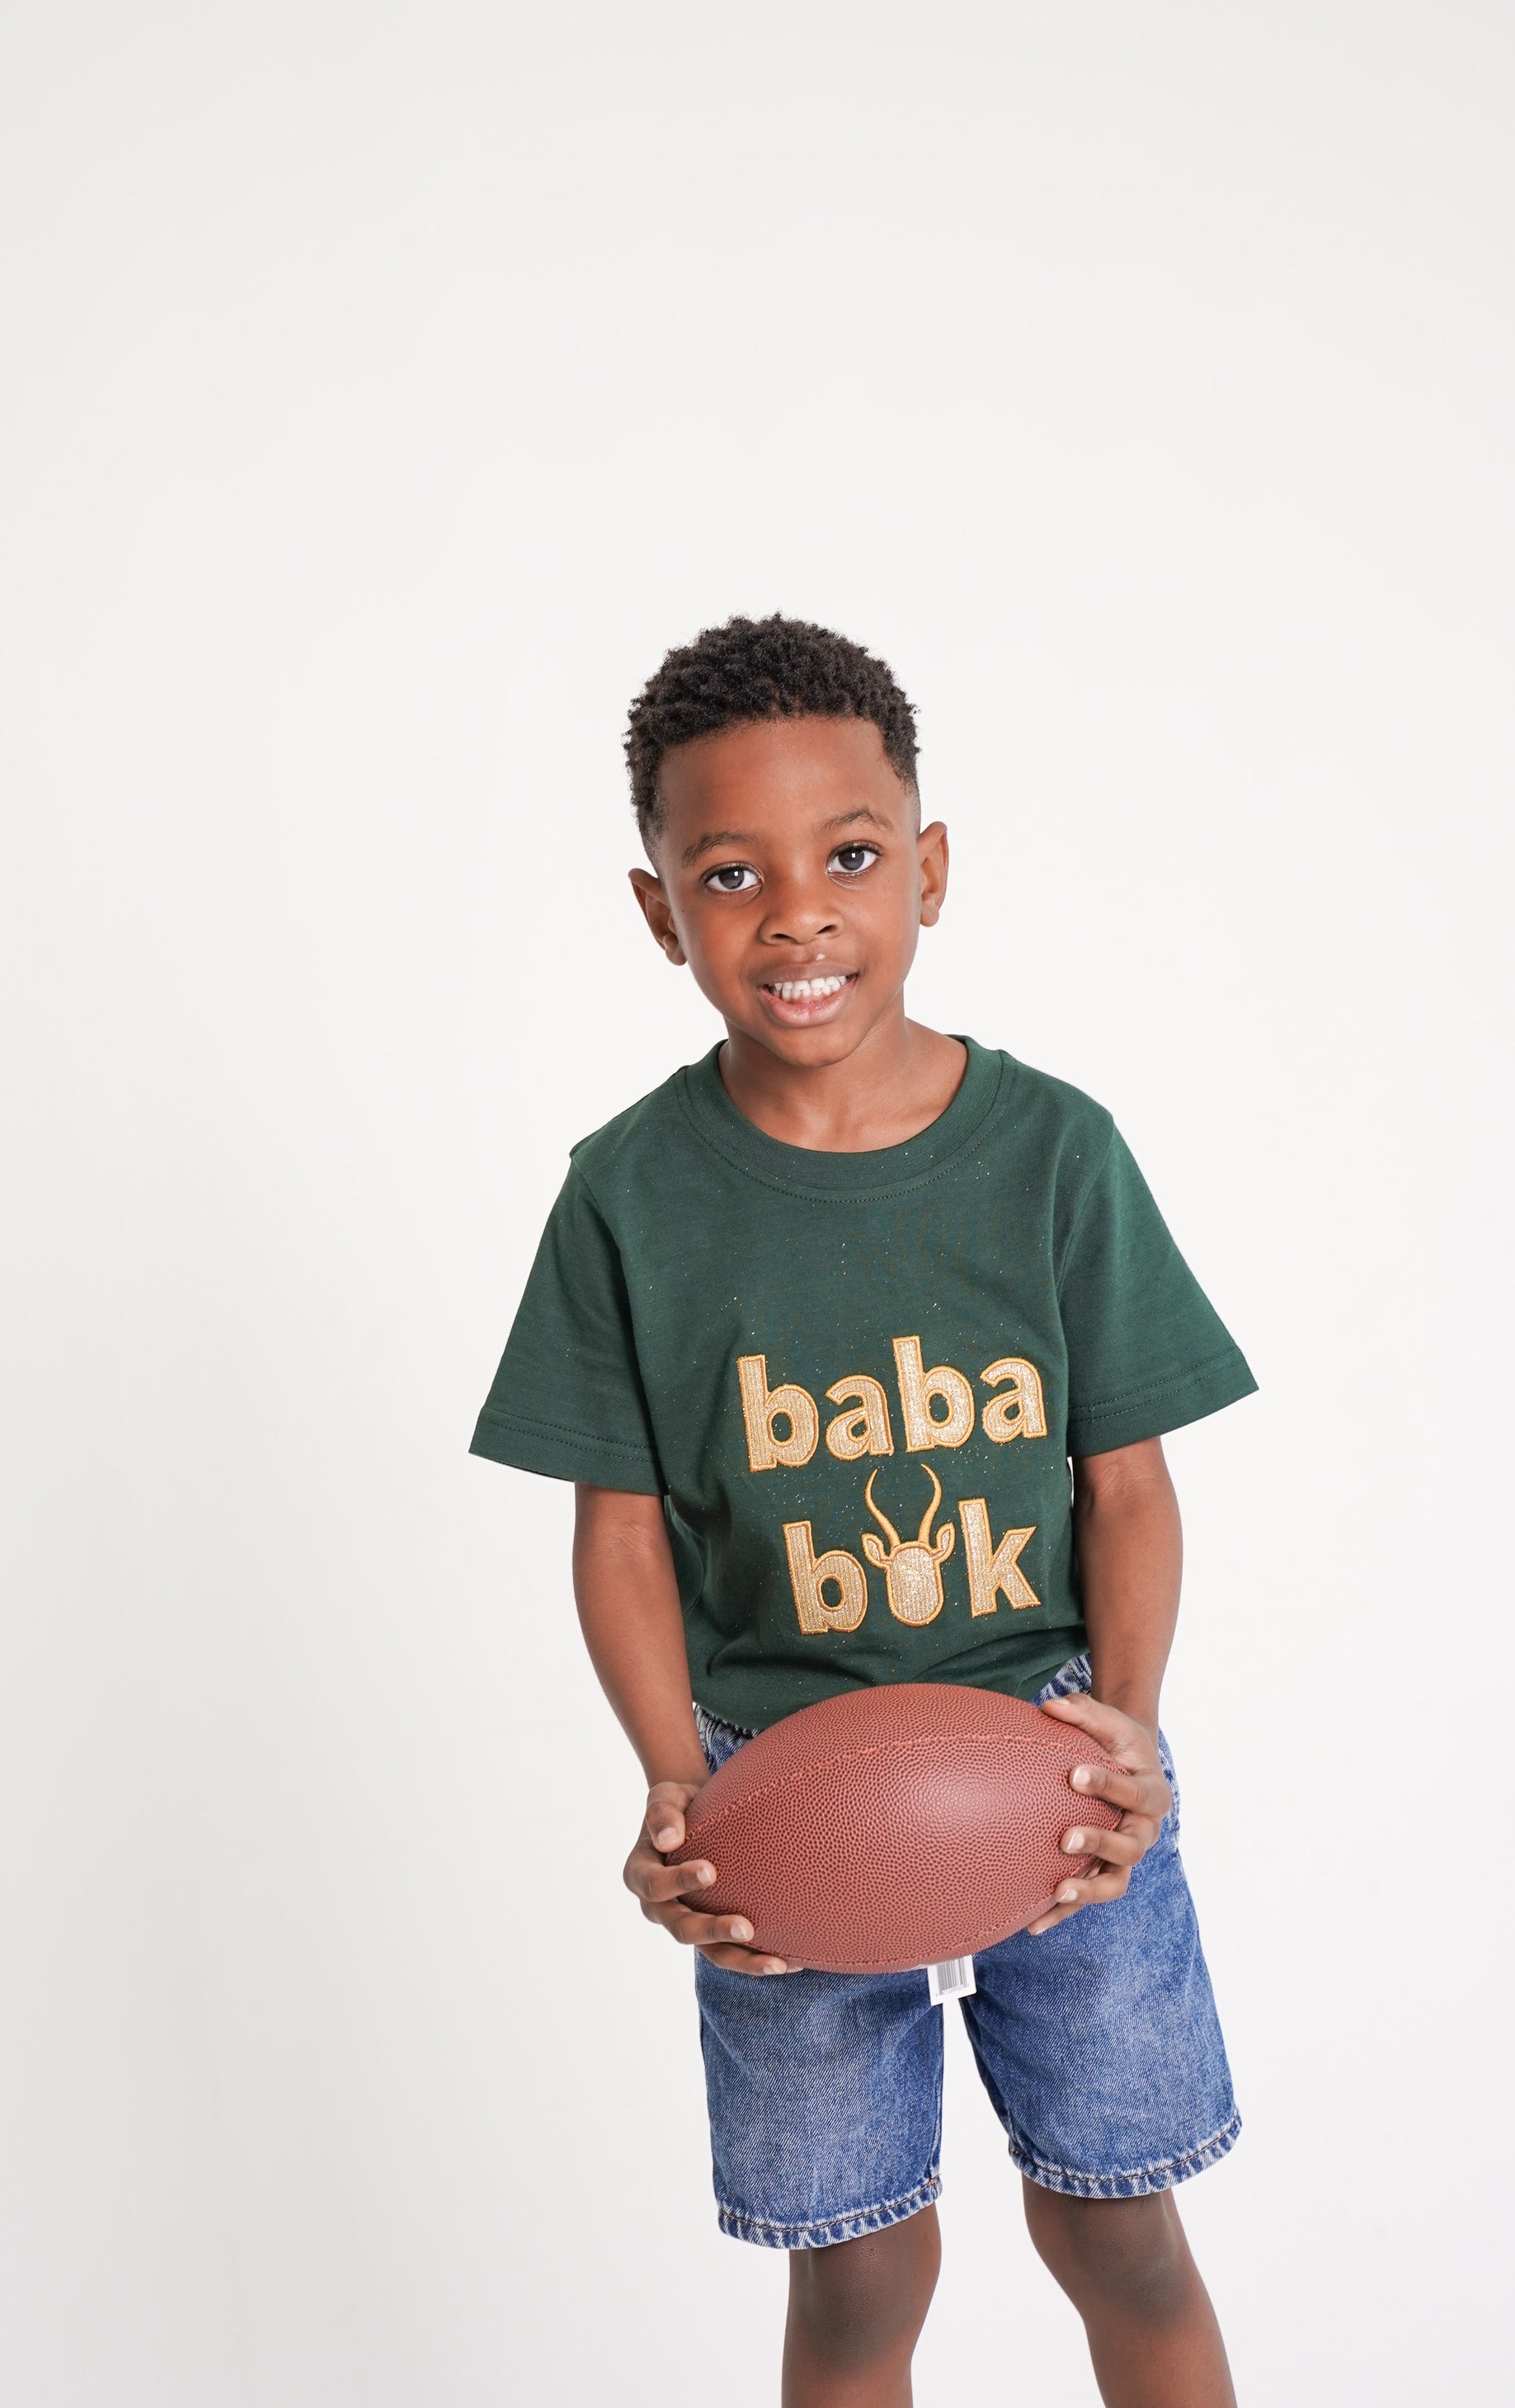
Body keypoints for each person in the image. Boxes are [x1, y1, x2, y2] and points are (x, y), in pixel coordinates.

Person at [470, 615, 1256, 2407]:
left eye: (846, 858)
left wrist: (1130, 1726)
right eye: (728, 875)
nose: (796, 917)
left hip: (1053, 1761)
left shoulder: (1052, 1150)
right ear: (659, 911)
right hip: (777, 1779)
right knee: (854, 2269)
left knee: (1120, 2229)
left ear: (930, 869)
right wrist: (674, 1782)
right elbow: (617, 1532)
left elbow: (1125, 1482)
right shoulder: (628, 1195)